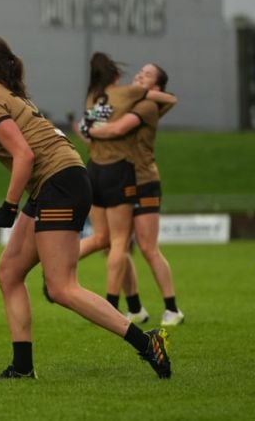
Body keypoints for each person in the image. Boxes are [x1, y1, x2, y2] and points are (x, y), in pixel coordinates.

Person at [0, 32, 172, 380]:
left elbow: (24, 156)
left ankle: (147, 342)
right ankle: (22, 368)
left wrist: (9, 206)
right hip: (59, 180)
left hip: (60, 182)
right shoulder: (1, 95)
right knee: (9, 273)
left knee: (61, 287)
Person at [78, 63, 184, 327]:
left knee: (148, 247)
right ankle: (135, 307)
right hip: (121, 179)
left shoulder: (146, 106)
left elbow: (117, 129)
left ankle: (172, 309)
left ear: (156, 87)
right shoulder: (124, 102)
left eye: (146, 75)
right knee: (118, 245)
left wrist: (89, 128)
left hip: (144, 180)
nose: (138, 76)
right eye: (139, 72)